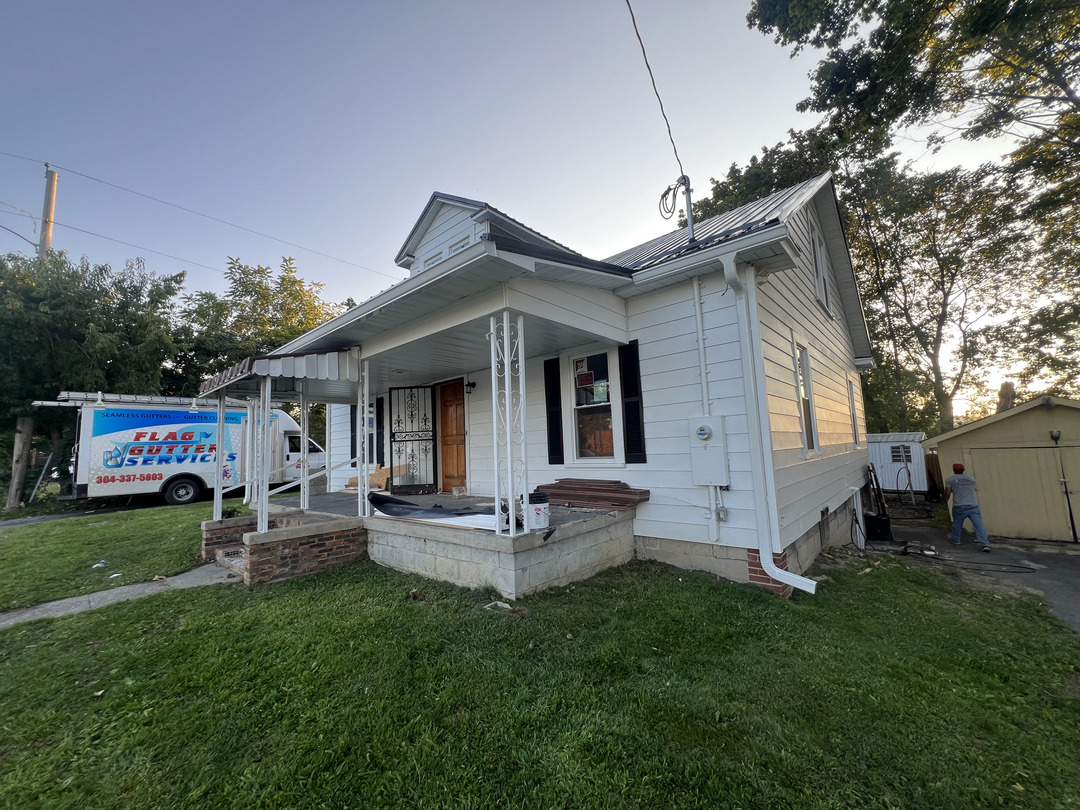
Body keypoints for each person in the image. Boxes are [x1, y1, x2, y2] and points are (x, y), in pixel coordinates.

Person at [943, 463, 991, 552]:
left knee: (957, 524)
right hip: (973, 505)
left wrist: (944, 501)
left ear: (954, 470)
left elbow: (948, 493)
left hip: (959, 506)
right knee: (979, 525)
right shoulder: (972, 479)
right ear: (963, 470)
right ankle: (985, 543)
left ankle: (956, 540)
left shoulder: (950, 480)